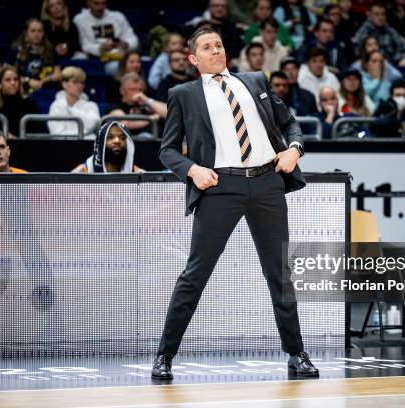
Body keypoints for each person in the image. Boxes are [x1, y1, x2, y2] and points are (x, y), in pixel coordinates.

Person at [153, 26, 318, 380]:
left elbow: (290, 125)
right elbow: (167, 150)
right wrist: (192, 169)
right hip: (219, 187)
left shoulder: (255, 81)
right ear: (193, 59)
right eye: (207, 48)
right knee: (195, 275)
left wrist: (294, 150)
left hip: (267, 183)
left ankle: (296, 353)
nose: (216, 51)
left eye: (219, 45)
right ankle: (165, 355)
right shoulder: (183, 94)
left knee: (280, 274)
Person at [73, 0, 139, 75]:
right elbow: (84, 45)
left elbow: (133, 38)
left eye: (103, 3)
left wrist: (126, 44)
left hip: (117, 57)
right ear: (88, 3)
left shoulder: (118, 16)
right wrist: (100, 48)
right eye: (96, 3)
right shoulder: (79, 19)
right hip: (93, 58)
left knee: (118, 66)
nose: (100, 7)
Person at [0, 65, 42, 137]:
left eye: (15, 79)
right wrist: (2, 135)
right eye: (8, 80)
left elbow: (38, 130)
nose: (13, 83)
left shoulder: (30, 103)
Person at [107, 72, 167, 138]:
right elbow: (125, 123)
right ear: (122, 90)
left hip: (161, 138)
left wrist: (147, 100)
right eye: (132, 89)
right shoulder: (115, 107)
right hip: (136, 140)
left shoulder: (148, 105)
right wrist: (152, 118)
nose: (137, 93)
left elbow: (170, 112)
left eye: (140, 90)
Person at [11, 18, 61, 93]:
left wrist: (43, 81)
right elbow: (10, 75)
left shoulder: (50, 50)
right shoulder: (16, 51)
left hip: (47, 90)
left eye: (40, 31)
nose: (37, 34)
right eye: (33, 31)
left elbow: (58, 74)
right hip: (23, 91)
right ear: (26, 33)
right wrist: (28, 81)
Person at [48, 66, 100, 138]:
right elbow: (57, 133)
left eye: (82, 82)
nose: (80, 86)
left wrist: (71, 109)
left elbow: (92, 125)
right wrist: (83, 134)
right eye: (75, 82)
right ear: (64, 84)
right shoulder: (56, 106)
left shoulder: (91, 105)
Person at [72, 120, 143, 173]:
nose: (117, 141)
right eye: (110, 137)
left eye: (122, 138)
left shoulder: (137, 173)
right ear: (101, 144)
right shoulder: (81, 172)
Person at [352, 2, 405, 66]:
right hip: (370, 65)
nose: (380, 17)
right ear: (369, 15)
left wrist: (401, 58)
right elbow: (358, 52)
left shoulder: (389, 30)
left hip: (390, 64)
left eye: (383, 14)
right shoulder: (363, 32)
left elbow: (402, 46)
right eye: (376, 14)